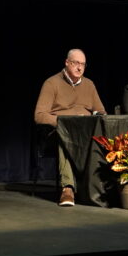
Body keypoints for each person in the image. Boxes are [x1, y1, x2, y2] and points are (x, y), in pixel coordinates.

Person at [34, 48, 106, 207]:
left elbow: (101, 112)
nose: (79, 68)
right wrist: (65, 122)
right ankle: (68, 188)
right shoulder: (52, 83)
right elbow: (39, 116)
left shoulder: (89, 84)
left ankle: (97, 187)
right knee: (65, 135)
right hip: (59, 132)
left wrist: (93, 117)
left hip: (86, 131)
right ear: (67, 63)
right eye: (75, 63)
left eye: (83, 64)